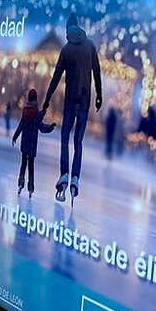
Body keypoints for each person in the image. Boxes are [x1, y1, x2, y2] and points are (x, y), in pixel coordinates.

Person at [43, 12, 102, 202]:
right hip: (84, 101)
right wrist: (99, 95)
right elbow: (97, 71)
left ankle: (64, 175)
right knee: (78, 143)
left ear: (68, 29)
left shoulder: (67, 49)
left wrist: (47, 97)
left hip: (69, 101)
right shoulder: (90, 46)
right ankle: (75, 177)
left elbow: (56, 77)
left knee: (64, 140)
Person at [12, 88, 56, 198]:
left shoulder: (25, 111)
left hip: (24, 144)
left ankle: (20, 184)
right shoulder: (36, 113)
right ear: (35, 98)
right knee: (31, 167)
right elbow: (42, 127)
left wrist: (15, 137)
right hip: (32, 146)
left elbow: (20, 126)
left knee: (23, 165)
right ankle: (30, 188)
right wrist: (51, 127)